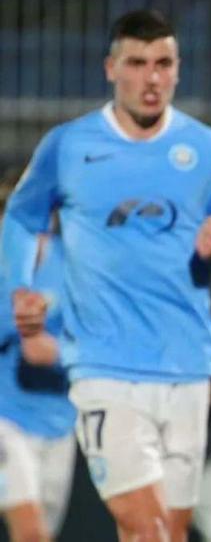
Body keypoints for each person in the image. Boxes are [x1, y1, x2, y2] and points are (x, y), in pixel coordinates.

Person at [1, 10, 211, 541]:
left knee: (170, 531)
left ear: (178, 70)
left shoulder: (208, 150)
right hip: (104, 367)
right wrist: (17, 289)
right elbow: (23, 218)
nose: (152, 77)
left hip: (186, 365)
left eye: (163, 63)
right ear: (111, 69)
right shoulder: (69, 146)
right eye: (138, 63)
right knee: (149, 529)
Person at [0, 181, 74, 542]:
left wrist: (57, 352)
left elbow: (101, 338)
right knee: (30, 533)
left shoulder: (75, 267)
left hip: (60, 423)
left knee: (43, 534)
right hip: (8, 421)